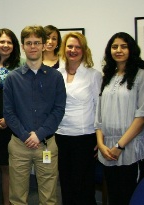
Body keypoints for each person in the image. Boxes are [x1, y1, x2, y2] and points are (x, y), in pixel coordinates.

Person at [3, 25, 66, 205]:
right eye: (28, 43)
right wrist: (25, 136)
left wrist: (39, 134)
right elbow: (9, 112)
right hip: (19, 144)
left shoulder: (55, 77)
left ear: (44, 45)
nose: (33, 46)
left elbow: (59, 109)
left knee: (49, 198)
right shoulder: (12, 78)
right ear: (22, 46)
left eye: (37, 42)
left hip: (46, 144)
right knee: (17, 197)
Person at [96, 32, 144, 205]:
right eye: (114, 47)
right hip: (107, 148)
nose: (118, 50)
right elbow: (98, 115)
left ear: (131, 50)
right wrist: (100, 144)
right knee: (114, 197)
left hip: (130, 149)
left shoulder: (141, 75)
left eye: (123, 46)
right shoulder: (108, 76)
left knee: (129, 197)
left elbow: (142, 115)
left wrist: (119, 146)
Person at [56, 32, 101, 205]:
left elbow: (99, 108)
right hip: (61, 135)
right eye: (69, 46)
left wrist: (99, 137)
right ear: (64, 48)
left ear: (83, 50)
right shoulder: (57, 74)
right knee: (66, 184)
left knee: (83, 185)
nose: (73, 50)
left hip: (85, 137)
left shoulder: (93, 75)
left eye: (77, 47)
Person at [0, 28, 23, 205]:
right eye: (2, 41)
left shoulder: (21, 67)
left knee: (8, 169)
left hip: (12, 123)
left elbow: (24, 98)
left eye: (9, 42)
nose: (5, 45)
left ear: (14, 45)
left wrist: (9, 120)